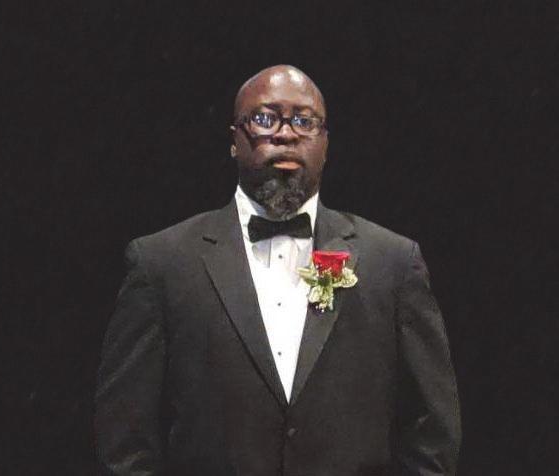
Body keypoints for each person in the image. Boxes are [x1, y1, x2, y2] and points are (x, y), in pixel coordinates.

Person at [95, 65, 461, 476]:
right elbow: (125, 440)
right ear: (234, 139)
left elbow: (433, 431)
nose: (285, 134)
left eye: (304, 122)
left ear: (325, 144)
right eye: (264, 119)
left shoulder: (391, 263)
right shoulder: (163, 263)